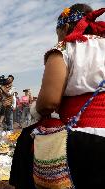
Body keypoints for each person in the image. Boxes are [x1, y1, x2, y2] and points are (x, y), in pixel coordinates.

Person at [10, 4, 105, 189]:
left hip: (82, 141)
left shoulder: (66, 47)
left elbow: (48, 103)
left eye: (58, 32)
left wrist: (35, 108)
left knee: (25, 139)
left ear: (65, 28)